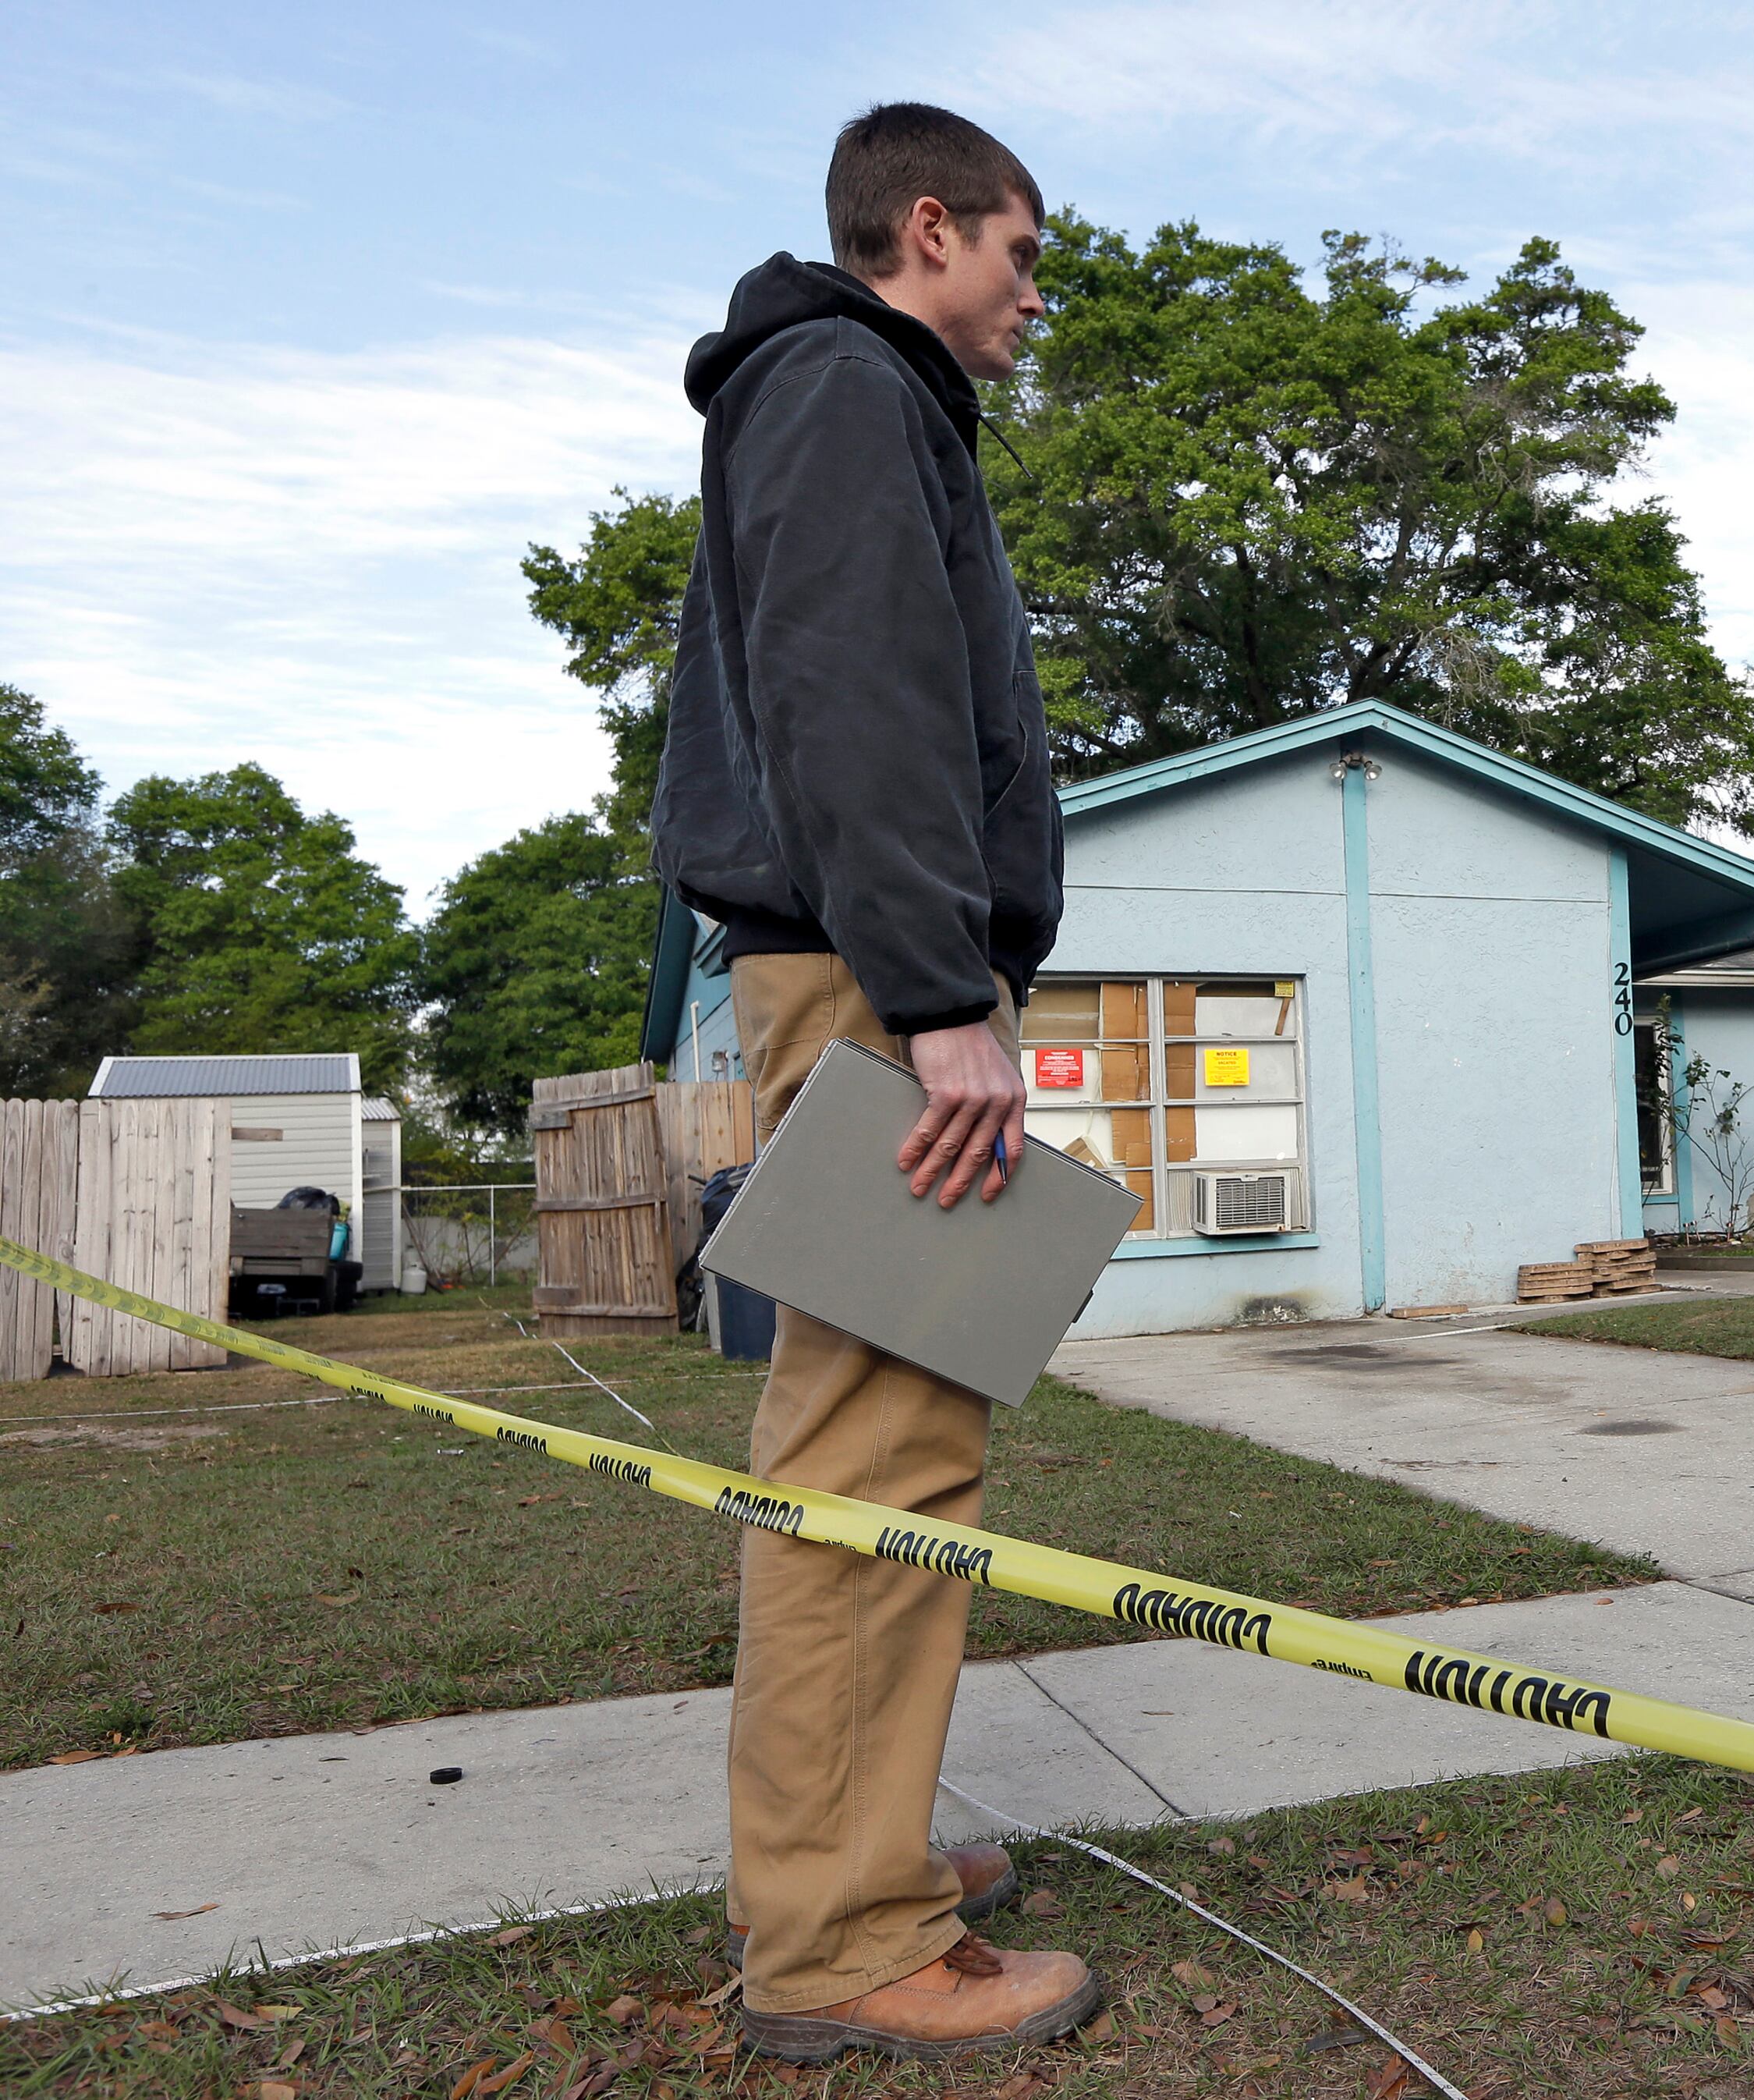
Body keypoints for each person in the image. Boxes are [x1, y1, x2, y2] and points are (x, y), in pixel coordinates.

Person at [651, 101, 1092, 2061]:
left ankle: (858, 1838)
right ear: (930, 226)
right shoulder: (843, 378)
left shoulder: (844, 391)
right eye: (1017, 258)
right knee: (875, 1455)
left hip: (867, 970)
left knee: (884, 1432)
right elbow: (855, 690)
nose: (1027, 302)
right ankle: (840, 1929)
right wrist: (938, 991)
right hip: (868, 977)